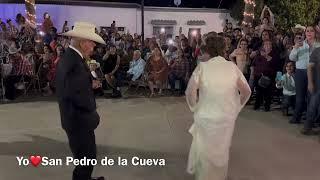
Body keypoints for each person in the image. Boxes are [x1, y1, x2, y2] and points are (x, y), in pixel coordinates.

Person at [185, 35, 251, 180]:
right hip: (226, 117)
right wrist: (236, 108)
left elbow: (190, 91)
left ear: (208, 49)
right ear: (223, 49)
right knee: (222, 150)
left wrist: (195, 108)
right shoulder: (232, 67)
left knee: (205, 151)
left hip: (205, 117)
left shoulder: (202, 67)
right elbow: (246, 91)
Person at [55, 22, 105, 180]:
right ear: (83, 43)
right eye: (92, 43)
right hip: (79, 122)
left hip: (73, 120)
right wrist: (94, 116)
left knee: (85, 158)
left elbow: (70, 87)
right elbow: (79, 98)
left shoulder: (70, 57)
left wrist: (88, 83)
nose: (94, 47)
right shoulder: (75, 63)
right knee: (86, 161)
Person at [301, 46, 320, 135]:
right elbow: (309, 67)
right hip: (317, 84)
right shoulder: (317, 51)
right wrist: (310, 83)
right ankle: (307, 127)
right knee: (312, 106)